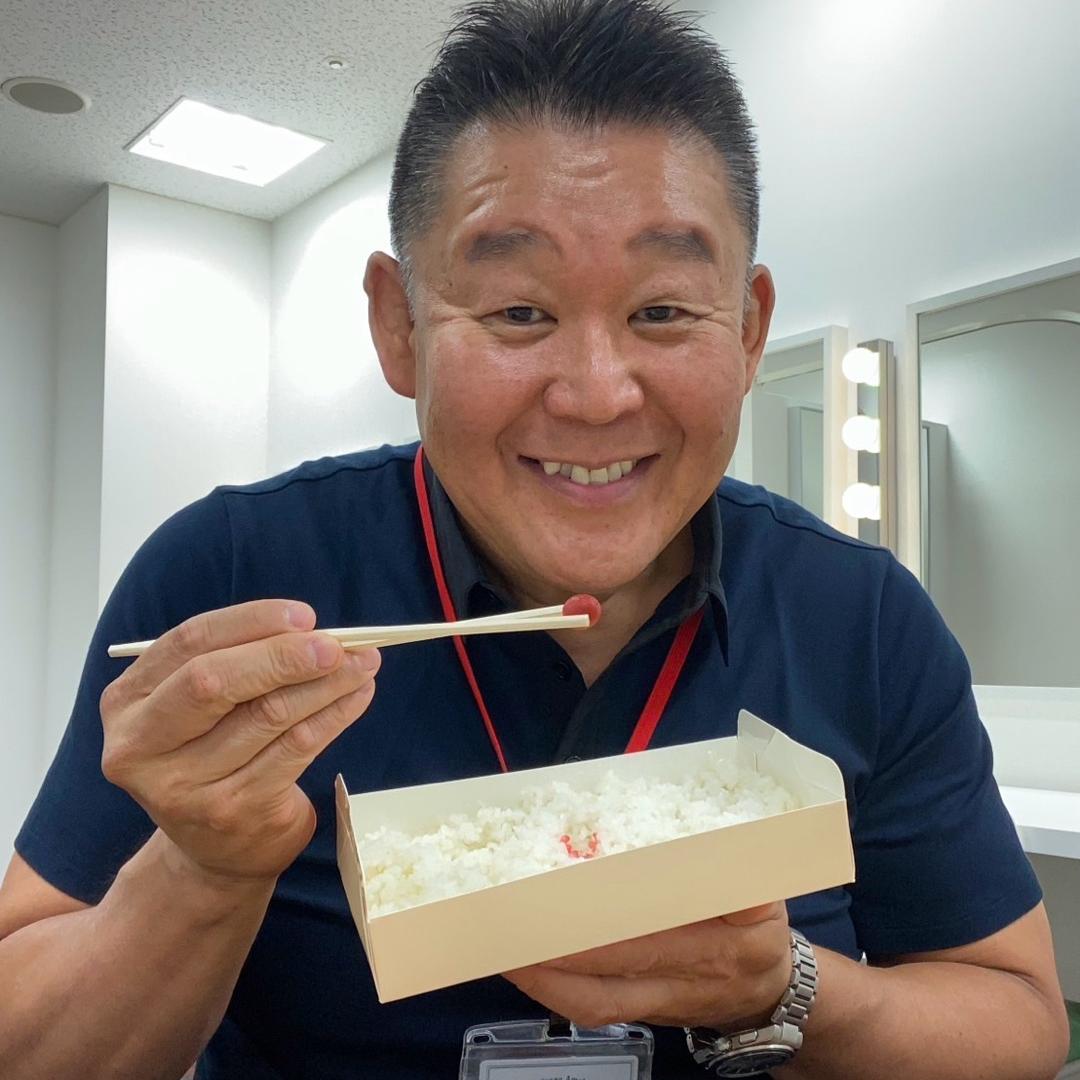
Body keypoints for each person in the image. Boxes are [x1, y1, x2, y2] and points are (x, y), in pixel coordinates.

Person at [0, 1, 1069, 1077]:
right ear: (399, 325)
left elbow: (1019, 1023)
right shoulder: (231, 574)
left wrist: (780, 987)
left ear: (748, 331)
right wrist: (204, 870)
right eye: (519, 312)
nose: (598, 395)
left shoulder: (865, 617)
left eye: (662, 311)